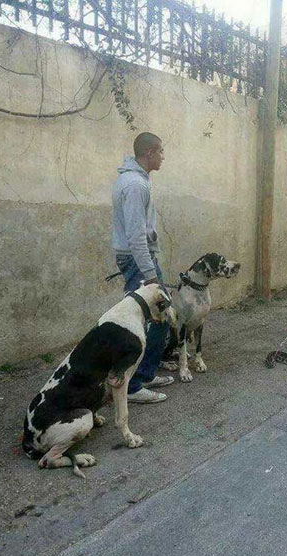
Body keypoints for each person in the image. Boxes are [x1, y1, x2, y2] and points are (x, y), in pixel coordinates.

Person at [111, 132, 175, 403]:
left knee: (154, 319)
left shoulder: (135, 180)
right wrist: (150, 276)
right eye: (160, 151)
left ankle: (144, 375)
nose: (163, 157)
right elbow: (136, 236)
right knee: (156, 319)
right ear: (149, 153)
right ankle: (134, 385)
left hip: (138, 258)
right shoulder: (135, 184)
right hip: (139, 260)